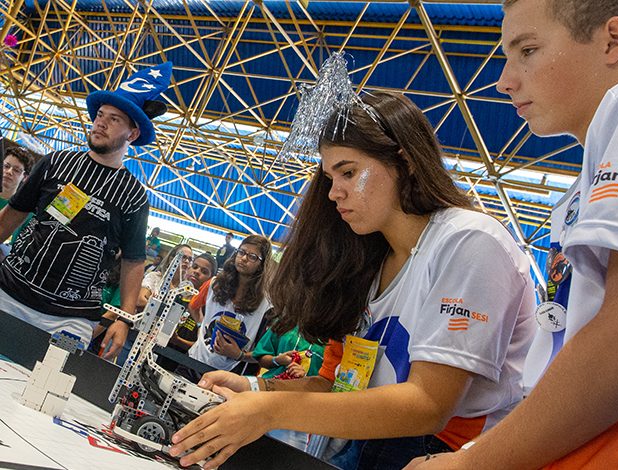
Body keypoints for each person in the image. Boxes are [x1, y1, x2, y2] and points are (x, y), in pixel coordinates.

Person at [169, 90, 536, 470]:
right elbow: (340, 384)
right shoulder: (366, 264)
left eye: (349, 172)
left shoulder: (469, 241)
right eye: (329, 177)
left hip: (445, 455)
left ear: (405, 161)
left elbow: (428, 406)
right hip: (364, 447)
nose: (334, 192)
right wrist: (256, 388)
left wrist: (270, 409)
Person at [405, 1, 618, 469]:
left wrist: (473, 462)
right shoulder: (579, 190)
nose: (504, 80)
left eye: (528, 50)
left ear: (613, 41)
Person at [0, 62, 172, 359]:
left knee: (49, 389)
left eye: (114, 119)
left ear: (132, 134)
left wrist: (124, 320)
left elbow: (133, 261)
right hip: (8, 292)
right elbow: (12, 216)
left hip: (72, 322)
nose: (100, 123)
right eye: (100, 115)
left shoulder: (133, 196)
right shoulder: (55, 162)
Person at [183, 234, 273, 378]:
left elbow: (263, 354)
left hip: (230, 376)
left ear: (262, 265)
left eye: (252, 257)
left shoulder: (267, 305)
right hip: (194, 362)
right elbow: (193, 306)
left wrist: (239, 355)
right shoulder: (215, 283)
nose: (243, 258)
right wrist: (202, 326)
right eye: (242, 252)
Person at [0, 146, 35, 260]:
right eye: (6, 166)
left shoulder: (26, 215)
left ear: (25, 177)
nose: (9, 172)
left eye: (16, 170)